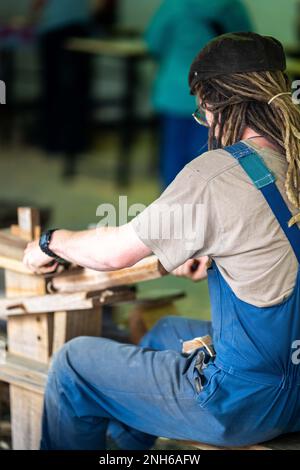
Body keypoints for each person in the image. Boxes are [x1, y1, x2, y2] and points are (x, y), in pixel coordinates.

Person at [24, 32, 300, 449]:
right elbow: (272, 242)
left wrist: (50, 242)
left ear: (212, 101)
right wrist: (216, 255)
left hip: (246, 404)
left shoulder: (216, 174)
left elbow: (114, 252)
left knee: (73, 364)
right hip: (294, 386)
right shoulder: (292, 159)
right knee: (166, 332)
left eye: (201, 111)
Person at [146, 0, 252, 187]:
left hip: (176, 89)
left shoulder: (174, 5)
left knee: (173, 152)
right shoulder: (231, 6)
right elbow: (246, 46)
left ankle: (172, 205)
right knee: (207, 155)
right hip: (216, 92)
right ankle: (202, 206)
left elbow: (153, 43)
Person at [29, 0, 106, 178]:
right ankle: (78, 143)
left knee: (53, 90)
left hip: (53, 30)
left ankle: (52, 142)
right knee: (79, 91)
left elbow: (37, 4)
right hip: (80, 29)